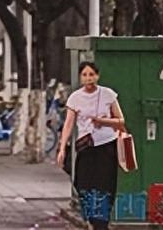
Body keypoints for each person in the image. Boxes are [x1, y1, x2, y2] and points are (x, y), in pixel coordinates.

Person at [56, 60, 125, 230]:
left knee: (104, 185)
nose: (88, 78)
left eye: (91, 74)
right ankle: (91, 219)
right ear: (80, 78)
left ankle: (101, 222)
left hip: (107, 146)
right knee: (83, 183)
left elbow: (121, 121)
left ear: (97, 76)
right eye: (85, 75)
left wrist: (102, 121)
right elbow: (68, 124)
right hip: (86, 147)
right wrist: (62, 148)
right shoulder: (75, 98)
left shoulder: (108, 94)